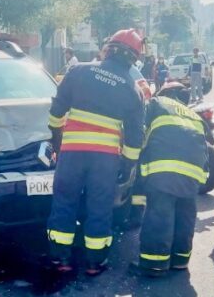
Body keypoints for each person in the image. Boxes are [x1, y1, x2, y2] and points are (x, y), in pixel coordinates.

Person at [46, 29, 145, 276]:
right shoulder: (133, 90)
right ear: (134, 59)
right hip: (105, 160)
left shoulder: (78, 71)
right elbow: (135, 136)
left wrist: (58, 144)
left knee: (64, 203)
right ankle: (94, 262)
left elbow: (55, 114)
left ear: (107, 48)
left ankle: (61, 259)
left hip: (71, 154)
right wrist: (128, 164)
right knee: (100, 207)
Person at [129, 81, 208, 278]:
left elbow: (139, 130)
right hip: (194, 171)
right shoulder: (192, 114)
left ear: (165, 92)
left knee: (160, 214)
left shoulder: (156, 103)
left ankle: (153, 264)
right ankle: (180, 260)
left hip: (164, 166)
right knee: (185, 214)